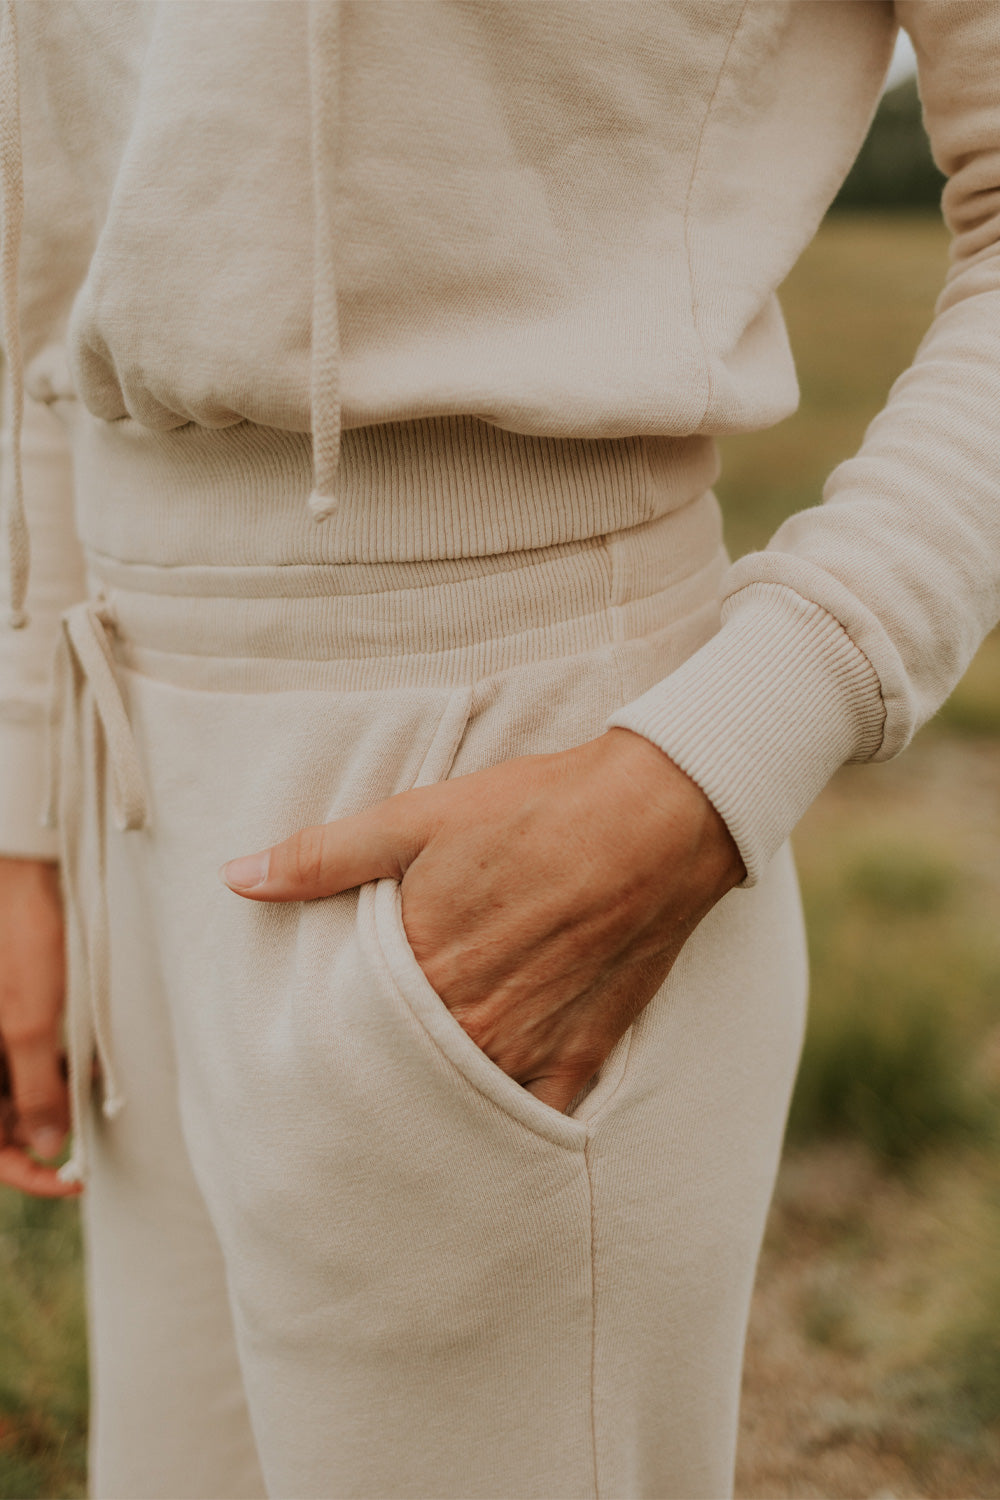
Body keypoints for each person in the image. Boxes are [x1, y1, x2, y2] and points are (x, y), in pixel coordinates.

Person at [0, 3, 997, 1497]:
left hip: (512, 784)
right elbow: (43, 265)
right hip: (124, 787)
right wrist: (31, 803)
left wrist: (731, 747)